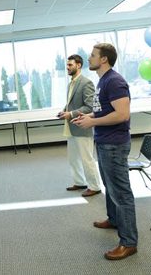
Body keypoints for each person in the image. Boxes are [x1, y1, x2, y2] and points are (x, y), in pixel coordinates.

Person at [72, 43, 137, 260]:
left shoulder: (115, 81)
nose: (88, 58)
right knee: (110, 187)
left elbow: (122, 115)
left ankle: (129, 242)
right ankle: (114, 219)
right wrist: (90, 118)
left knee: (121, 192)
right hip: (104, 141)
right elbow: (104, 111)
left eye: (92, 56)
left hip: (114, 144)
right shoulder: (103, 81)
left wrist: (93, 122)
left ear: (104, 60)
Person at [58, 54, 101, 197]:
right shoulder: (71, 83)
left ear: (78, 65)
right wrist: (64, 110)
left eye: (70, 65)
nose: (67, 68)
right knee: (73, 158)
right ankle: (80, 182)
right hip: (71, 127)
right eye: (67, 65)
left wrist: (70, 114)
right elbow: (72, 102)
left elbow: (89, 107)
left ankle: (95, 186)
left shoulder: (86, 83)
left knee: (86, 159)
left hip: (82, 127)